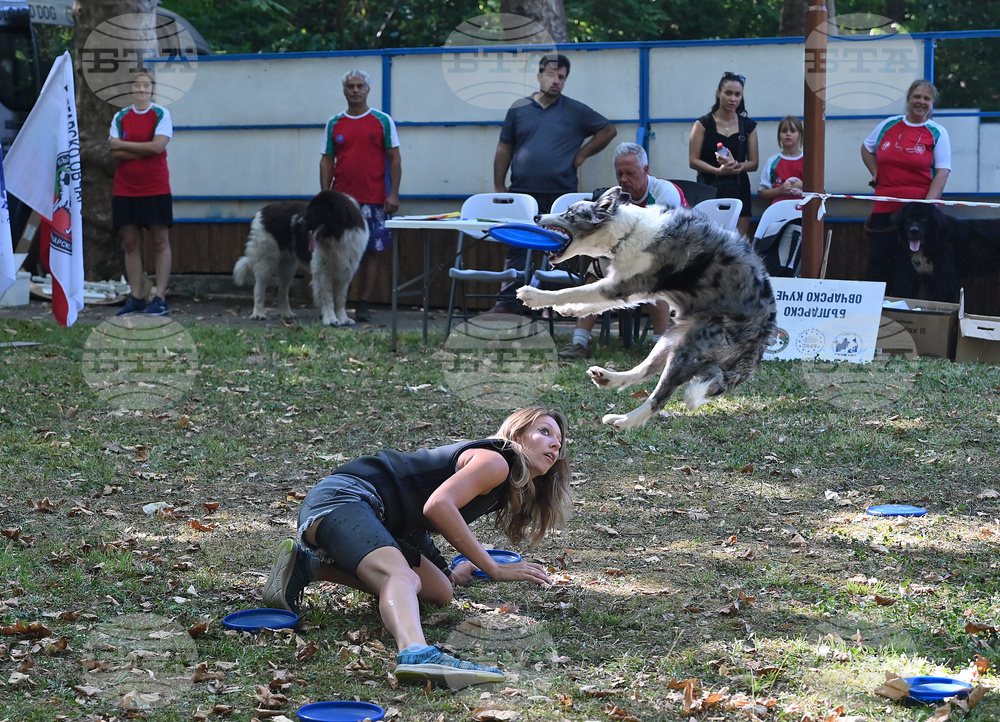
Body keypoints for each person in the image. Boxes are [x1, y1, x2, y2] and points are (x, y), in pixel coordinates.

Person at [262, 406, 571, 688]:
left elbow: (416, 517)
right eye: (544, 432)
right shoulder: (497, 461)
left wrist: (448, 570)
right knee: (402, 578)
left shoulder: (503, 481)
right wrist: (493, 567)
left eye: (559, 440)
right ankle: (415, 652)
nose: (554, 444)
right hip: (345, 498)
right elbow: (438, 506)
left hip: (379, 518)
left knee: (440, 590)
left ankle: (308, 565)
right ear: (517, 435)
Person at [490, 54, 617, 314]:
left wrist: (581, 155)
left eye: (561, 77)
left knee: (560, 249)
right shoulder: (519, 108)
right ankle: (507, 304)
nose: (556, 81)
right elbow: (504, 146)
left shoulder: (575, 110)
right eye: (550, 74)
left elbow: (608, 130)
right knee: (518, 247)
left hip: (561, 194)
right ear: (539, 76)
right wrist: (498, 185)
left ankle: (551, 306)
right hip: (522, 192)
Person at [557, 142, 687, 360]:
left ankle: (660, 348)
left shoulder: (665, 193)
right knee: (594, 273)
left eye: (630, 173)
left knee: (655, 276)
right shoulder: (615, 197)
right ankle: (579, 342)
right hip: (631, 254)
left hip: (675, 256)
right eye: (620, 173)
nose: (624, 179)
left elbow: (666, 240)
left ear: (646, 171)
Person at [321, 69, 401, 323]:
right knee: (336, 251)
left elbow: (394, 158)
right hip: (342, 201)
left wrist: (394, 193)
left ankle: (364, 303)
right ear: (344, 90)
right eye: (350, 86)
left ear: (368, 89)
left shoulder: (382, 121)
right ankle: (335, 305)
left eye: (360, 86)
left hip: (374, 198)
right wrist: (325, 196)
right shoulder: (334, 123)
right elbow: (326, 160)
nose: (355, 90)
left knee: (371, 251)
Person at [861, 79, 951, 296]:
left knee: (907, 271)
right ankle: (871, 322)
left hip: (916, 218)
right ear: (909, 99)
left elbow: (943, 171)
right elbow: (866, 148)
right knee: (877, 264)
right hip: (884, 210)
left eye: (926, 98)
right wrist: (876, 172)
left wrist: (926, 207)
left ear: (932, 104)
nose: (921, 102)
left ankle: (902, 322)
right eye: (917, 97)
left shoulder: (937, 132)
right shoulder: (888, 125)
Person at [109, 69, 174, 316]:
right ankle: (136, 296)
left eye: (146, 86)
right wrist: (144, 149)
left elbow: (159, 146)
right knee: (130, 242)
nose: (142, 90)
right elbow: (113, 153)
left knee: (160, 241)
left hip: (155, 186)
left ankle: (159, 297)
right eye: (137, 85)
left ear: (152, 89)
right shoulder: (120, 116)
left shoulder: (161, 114)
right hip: (125, 188)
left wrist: (125, 145)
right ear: (130, 89)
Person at [688, 71, 759, 237]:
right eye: (728, 93)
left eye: (737, 94)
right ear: (718, 93)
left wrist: (737, 166)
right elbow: (693, 160)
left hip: (739, 187)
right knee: (708, 241)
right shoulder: (702, 124)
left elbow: (754, 163)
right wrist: (716, 171)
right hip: (709, 188)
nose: (732, 99)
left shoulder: (748, 126)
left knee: (740, 243)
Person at [758, 115, 805, 205]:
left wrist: (803, 186)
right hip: (779, 210)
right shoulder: (772, 161)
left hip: (804, 211)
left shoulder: (809, 161)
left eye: (793, 131)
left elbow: (820, 190)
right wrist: (779, 190)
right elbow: (762, 192)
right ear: (779, 136)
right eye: (784, 131)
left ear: (800, 135)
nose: (788, 134)